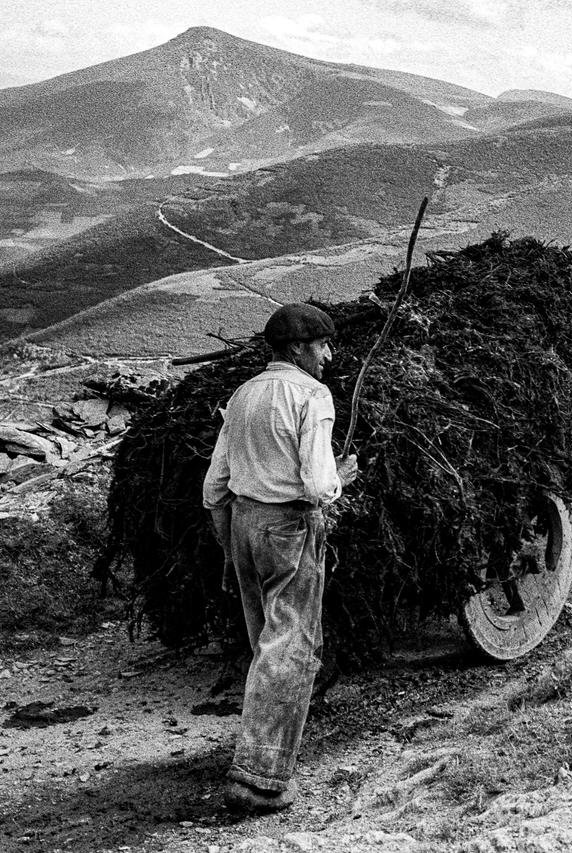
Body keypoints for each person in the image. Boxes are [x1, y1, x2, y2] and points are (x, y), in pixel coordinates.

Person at [202, 302, 359, 814]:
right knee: (290, 648)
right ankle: (258, 779)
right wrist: (340, 478)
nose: (329, 356)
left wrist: (229, 548)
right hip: (287, 526)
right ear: (297, 349)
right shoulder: (312, 395)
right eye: (322, 346)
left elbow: (214, 486)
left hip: (244, 524)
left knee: (264, 643)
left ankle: (260, 756)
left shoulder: (243, 394)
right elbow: (316, 484)